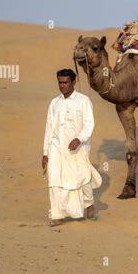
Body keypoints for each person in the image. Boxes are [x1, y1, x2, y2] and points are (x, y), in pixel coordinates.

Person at [42, 69, 101, 227]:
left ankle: (89, 204)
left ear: (73, 82)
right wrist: (45, 152)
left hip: (78, 147)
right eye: (60, 82)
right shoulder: (54, 103)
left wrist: (78, 139)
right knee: (54, 179)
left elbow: (89, 124)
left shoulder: (83, 101)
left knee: (82, 176)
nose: (62, 86)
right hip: (56, 146)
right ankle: (57, 214)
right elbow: (49, 127)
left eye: (65, 82)